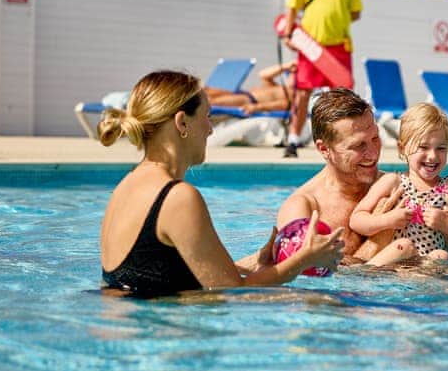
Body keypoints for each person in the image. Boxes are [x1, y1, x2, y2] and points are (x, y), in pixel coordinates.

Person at [98, 70, 344, 297]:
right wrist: (304, 258)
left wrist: (258, 262)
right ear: (182, 122)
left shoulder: (126, 185)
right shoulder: (177, 197)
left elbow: (160, 270)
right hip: (161, 339)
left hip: (135, 331)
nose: (210, 130)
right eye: (207, 117)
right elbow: (231, 292)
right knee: (321, 302)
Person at [349, 103, 448, 266]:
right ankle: (364, 275)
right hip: (395, 262)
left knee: (441, 255)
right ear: (402, 148)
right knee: (403, 246)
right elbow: (356, 220)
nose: (432, 156)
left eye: (441, 148)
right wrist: (387, 220)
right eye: (423, 147)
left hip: (428, 265)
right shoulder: (393, 182)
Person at [276, 88, 389, 260]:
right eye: (358, 145)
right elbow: (302, 277)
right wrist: (383, 234)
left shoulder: (393, 186)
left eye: (375, 138)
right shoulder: (305, 208)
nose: (373, 153)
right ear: (324, 149)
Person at [280, 0, 363, 158]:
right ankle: (293, 140)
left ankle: (343, 140)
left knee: (342, 96)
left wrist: (336, 19)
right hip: (310, 47)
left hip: (338, 46)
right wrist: (289, 34)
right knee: (302, 93)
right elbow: (292, 8)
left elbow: (356, 12)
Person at [205, 60, 296, 115]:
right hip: (243, 93)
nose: (291, 75)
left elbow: (284, 105)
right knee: (206, 90)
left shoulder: (294, 94)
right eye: (291, 74)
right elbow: (263, 75)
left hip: (248, 100)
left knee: (212, 102)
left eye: (294, 74)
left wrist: (256, 107)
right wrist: (285, 67)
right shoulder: (277, 86)